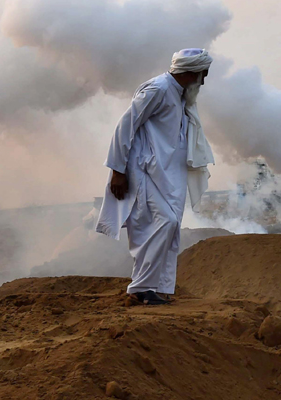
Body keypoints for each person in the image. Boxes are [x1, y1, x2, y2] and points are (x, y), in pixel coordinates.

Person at [96, 49, 215, 305]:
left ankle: (151, 289)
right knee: (166, 223)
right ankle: (140, 288)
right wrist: (117, 171)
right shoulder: (158, 89)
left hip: (164, 174)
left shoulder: (180, 96)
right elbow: (125, 125)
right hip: (143, 172)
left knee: (162, 229)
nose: (203, 81)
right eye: (203, 74)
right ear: (191, 72)